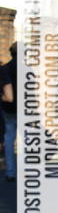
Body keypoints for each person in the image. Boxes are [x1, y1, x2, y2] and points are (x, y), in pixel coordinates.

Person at [0, 42, 16, 181]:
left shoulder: (5, 68)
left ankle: (11, 172)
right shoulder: (29, 69)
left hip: (8, 110)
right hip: (25, 110)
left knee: (9, 139)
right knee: (29, 140)